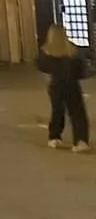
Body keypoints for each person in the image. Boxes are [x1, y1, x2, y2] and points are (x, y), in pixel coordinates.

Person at [36, 24, 91, 152]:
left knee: (57, 111)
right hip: (72, 85)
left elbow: (41, 66)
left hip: (55, 85)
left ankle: (54, 138)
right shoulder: (72, 50)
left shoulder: (46, 51)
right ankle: (80, 141)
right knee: (77, 113)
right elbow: (82, 69)